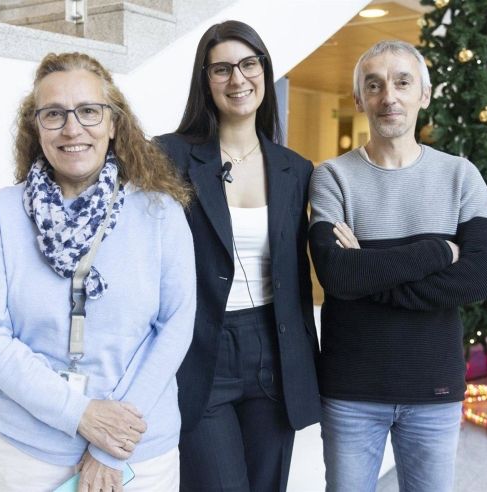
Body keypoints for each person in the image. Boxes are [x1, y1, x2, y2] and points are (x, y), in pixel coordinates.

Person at [0, 52, 196, 492]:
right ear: (36, 127)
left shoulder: (160, 212)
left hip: (137, 451)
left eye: (89, 111)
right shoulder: (0, 213)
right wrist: (81, 414)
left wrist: (110, 443)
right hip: (25, 453)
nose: (72, 129)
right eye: (54, 114)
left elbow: (176, 328)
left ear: (114, 123)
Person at [308, 40, 487, 492]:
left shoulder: (461, 176)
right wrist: (438, 253)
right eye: (374, 85)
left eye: (402, 82)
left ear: (424, 94)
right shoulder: (331, 176)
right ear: (359, 99)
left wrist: (367, 270)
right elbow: (337, 275)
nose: (388, 97)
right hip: (350, 392)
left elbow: (481, 278)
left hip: (434, 390)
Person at [154, 20, 320, 492]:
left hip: (276, 350)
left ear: (264, 71)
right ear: (205, 80)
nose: (238, 79)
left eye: (249, 64)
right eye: (222, 69)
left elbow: (297, 274)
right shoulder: (168, 157)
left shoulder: (296, 170)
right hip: (202, 350)